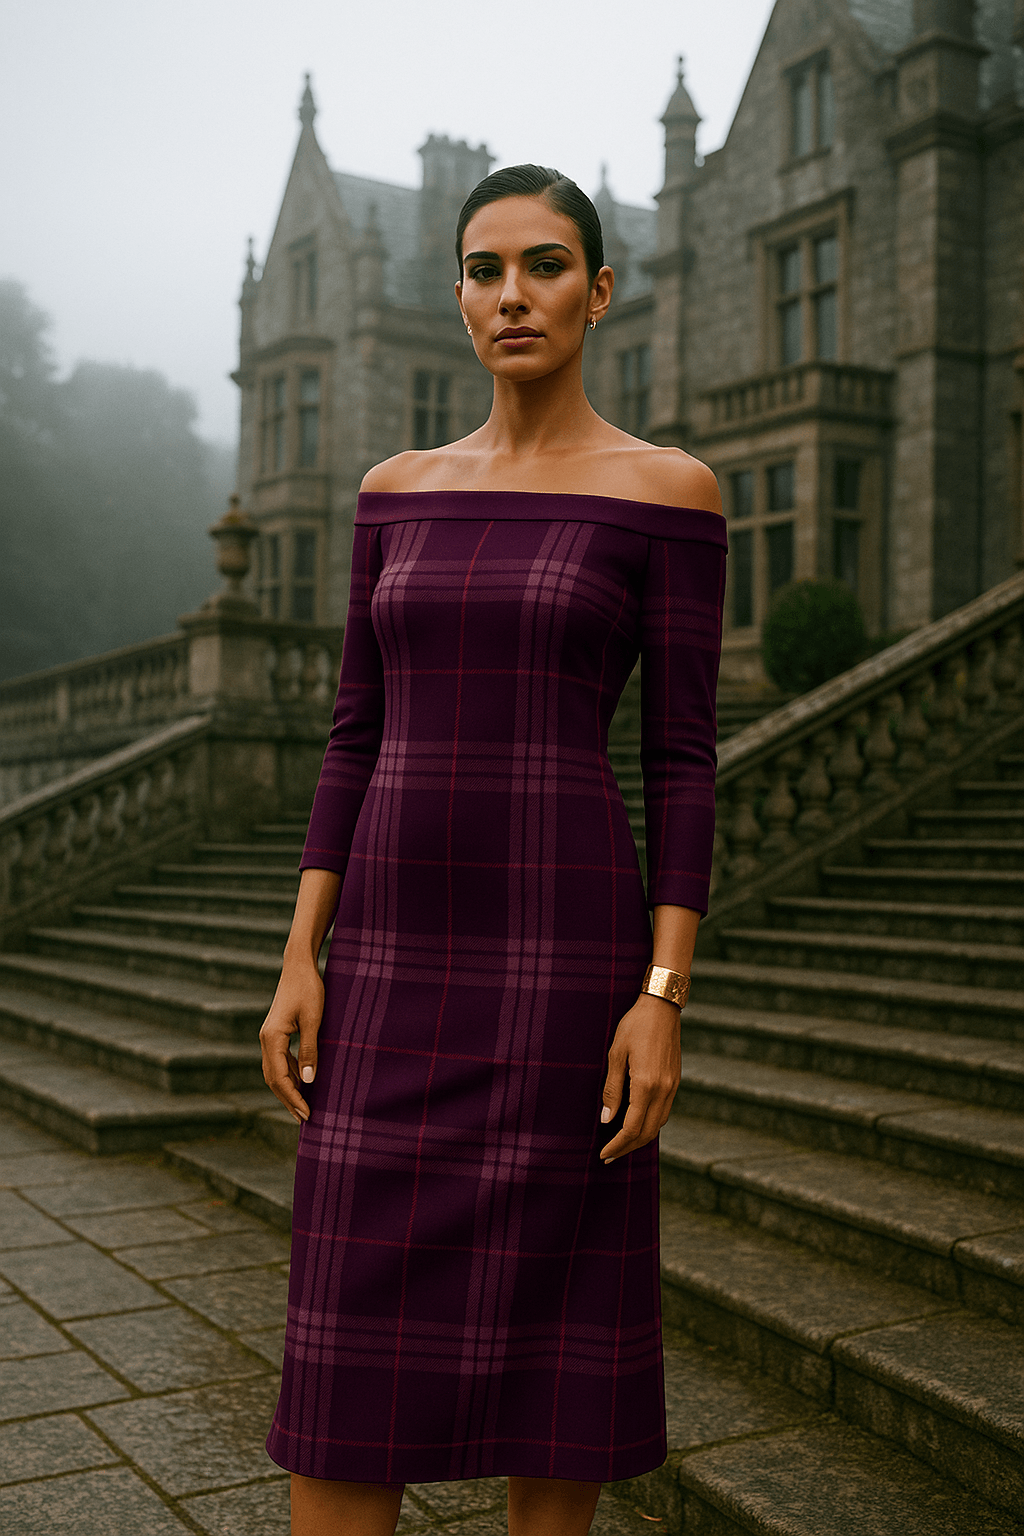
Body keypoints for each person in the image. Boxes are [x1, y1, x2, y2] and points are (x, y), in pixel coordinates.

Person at [260, 163, 726, 1536]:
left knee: (552, 1381)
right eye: (482, 268)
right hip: (392, 978)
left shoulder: (668, 492)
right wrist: (300, 957)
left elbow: (683, 760)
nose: (510, 293)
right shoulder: (393, 490)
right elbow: (353, 735)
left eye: (542, 264)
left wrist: (661, 998)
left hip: (562, 982)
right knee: (342, 1379)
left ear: (601, 284)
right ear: (454, 292)